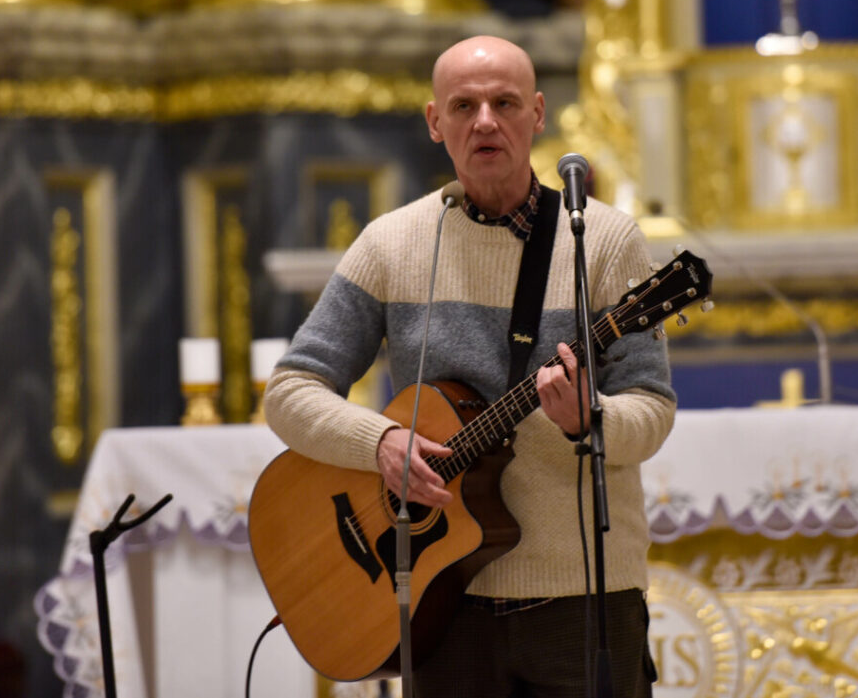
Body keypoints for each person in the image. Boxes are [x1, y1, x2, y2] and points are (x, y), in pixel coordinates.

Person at [263, 35, 676, 698]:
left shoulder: (603, 241)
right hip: (439, 604)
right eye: (464, 105)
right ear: (435, 122)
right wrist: (383, 442)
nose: (485, 120)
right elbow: (289, 389)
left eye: (504, 102)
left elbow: (652, 409)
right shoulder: (393, 243)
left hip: (580, 599)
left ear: (538, 113)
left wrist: (588, 419)